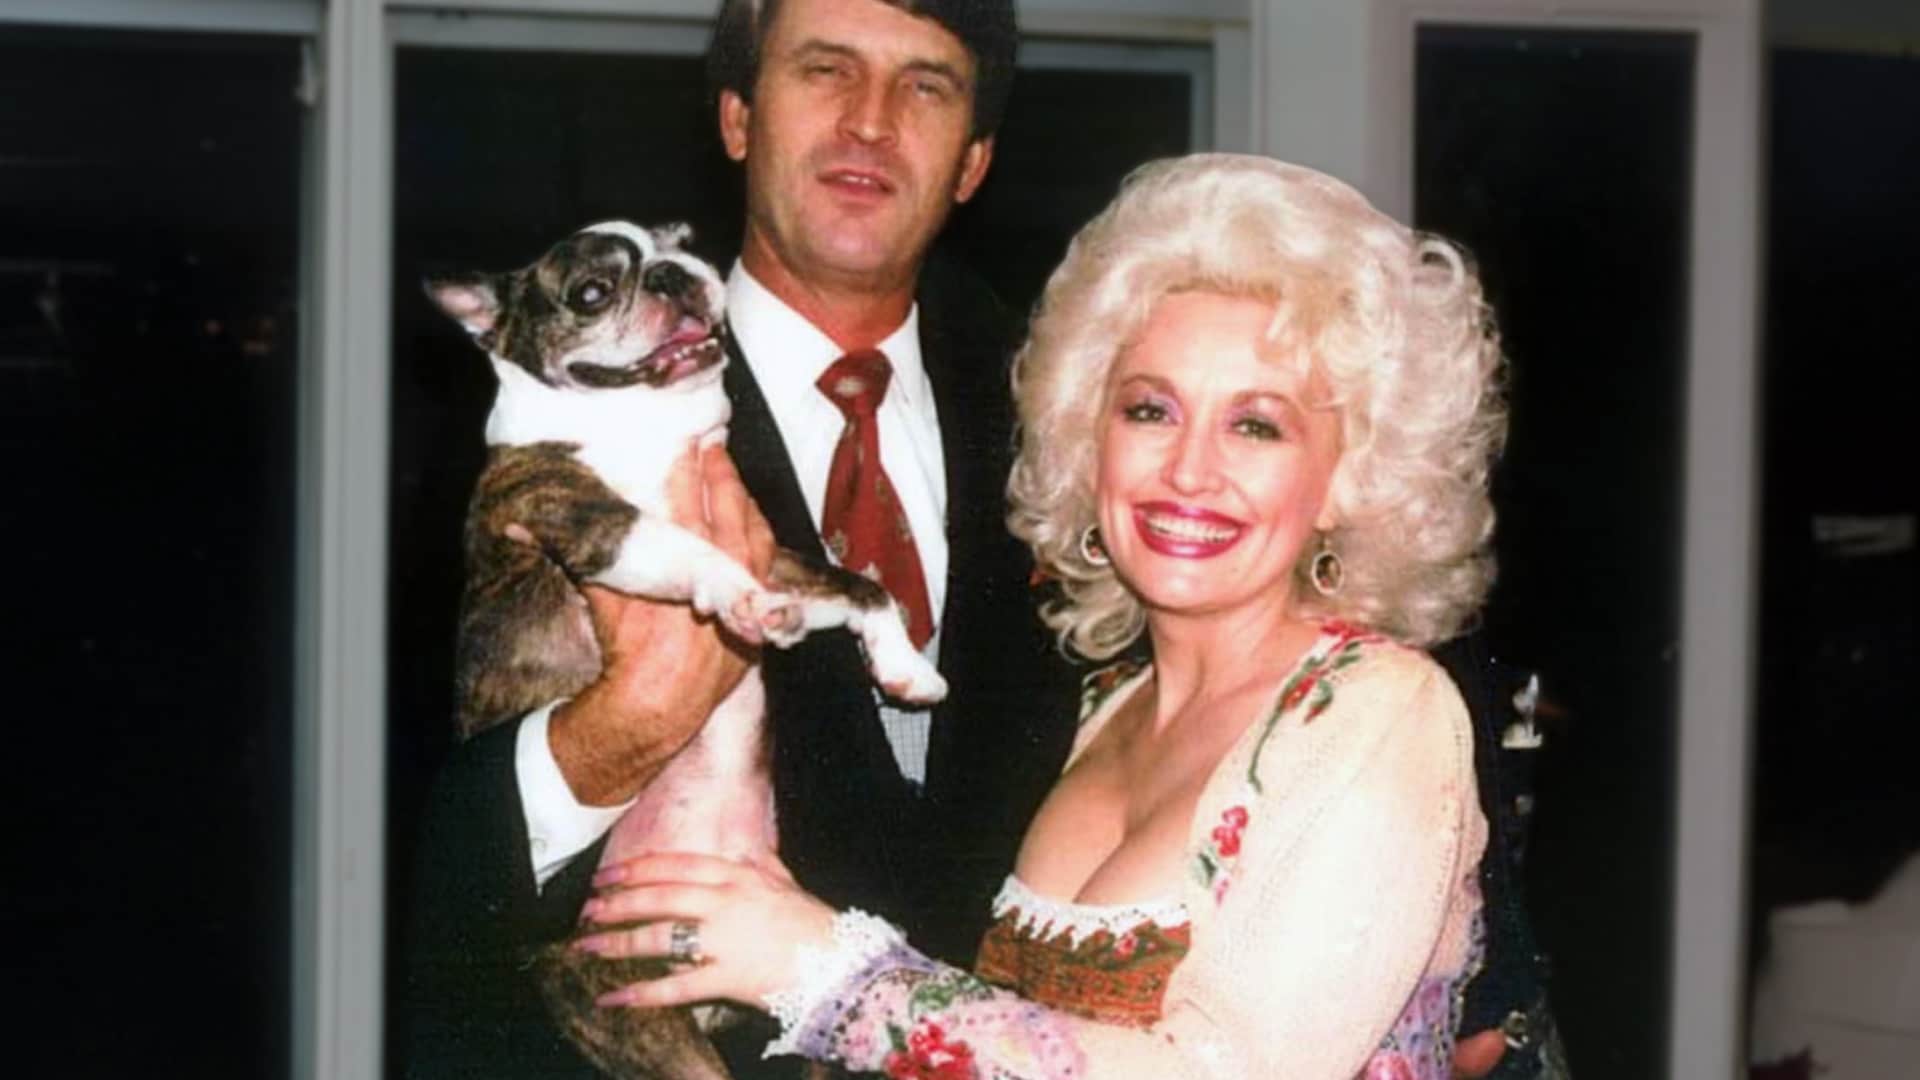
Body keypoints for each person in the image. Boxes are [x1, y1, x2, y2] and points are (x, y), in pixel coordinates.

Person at [569, 153, 1508, 1079]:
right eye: (1149, 411)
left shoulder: (1380, 709)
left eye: (1256, 425)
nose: (1188, 471)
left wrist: (820, 969)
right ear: (1086, 436)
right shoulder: (1094, 710)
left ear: (1348, 479)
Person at [400, 1, 1078, 1077]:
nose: (870, 120)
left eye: (926, 85)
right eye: (825, 69)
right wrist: (617, 731)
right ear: (735, 118)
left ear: (973, 162)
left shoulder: (1078, 399)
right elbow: (429, 824)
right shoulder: (549, 411)